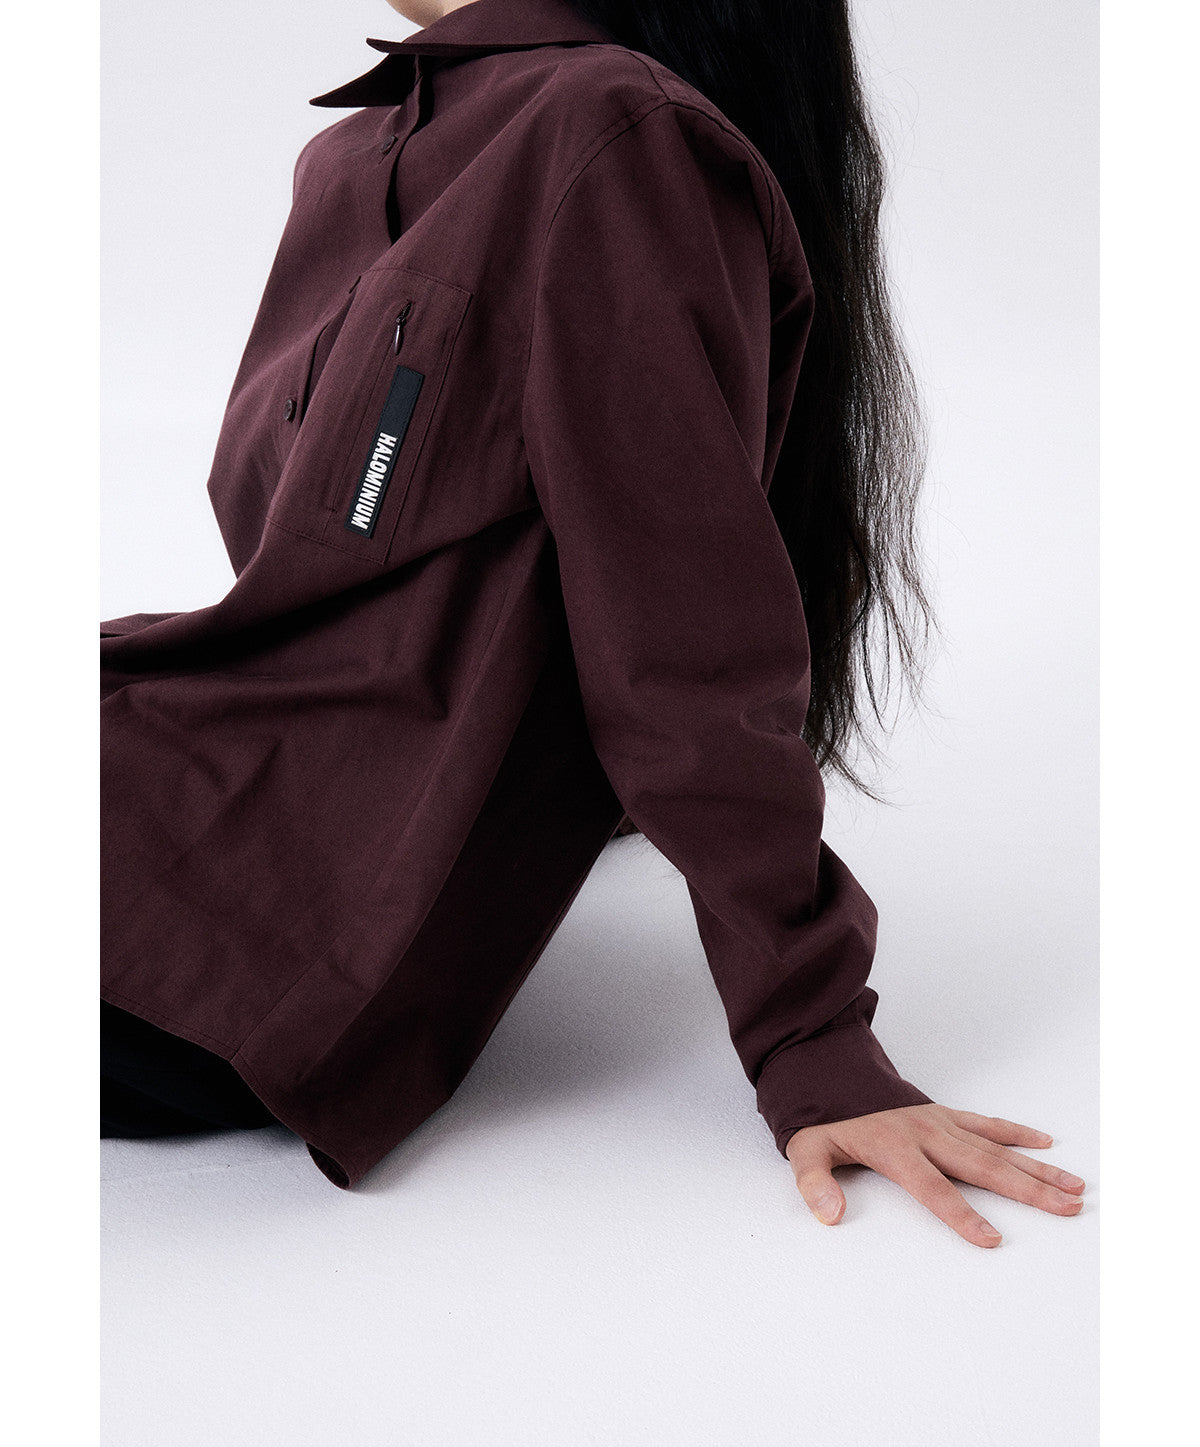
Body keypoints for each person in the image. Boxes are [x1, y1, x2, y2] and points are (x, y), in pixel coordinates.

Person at [101, 0, 1085, 1243]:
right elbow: (307, 575)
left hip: (229, 929)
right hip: (172, 781)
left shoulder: (608, 133)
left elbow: (686, 634)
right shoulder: (349, 156)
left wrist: (812, 1037)